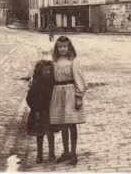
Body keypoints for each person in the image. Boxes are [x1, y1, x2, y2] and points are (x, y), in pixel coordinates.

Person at [49, 36, 87, 165]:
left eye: (65, 46)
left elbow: (79, 79)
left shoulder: (73, 61)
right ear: (56, 48)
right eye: (60, 47)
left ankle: (73, 153)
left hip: (70, 93)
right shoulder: (54, 61)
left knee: (71, 124)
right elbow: (50, 78)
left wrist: (78, 96)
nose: (62, 49)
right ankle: (65, 152)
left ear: (69, 47)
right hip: (58, 93)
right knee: (62, 124)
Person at [26, 60, 56, 163]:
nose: (47, 73)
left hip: (49, 111)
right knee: (40, 133)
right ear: (40, 72)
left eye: (49, 70)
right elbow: (29, 98)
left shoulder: (53, 83)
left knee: (50, 132)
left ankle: (51, 153)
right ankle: (39, 154)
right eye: (45, 71)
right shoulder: (36, 85)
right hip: (39, 112)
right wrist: (35, 109)